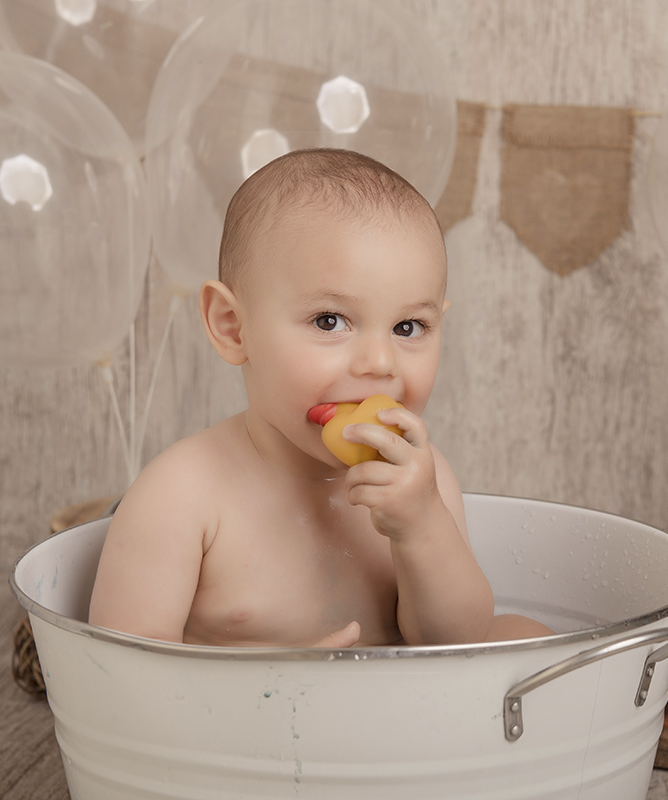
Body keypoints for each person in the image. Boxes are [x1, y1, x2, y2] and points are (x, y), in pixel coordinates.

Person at [88, 148, 551, 648]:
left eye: (408, 327)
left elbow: (460, 643)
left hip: (408, 698)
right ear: (233, 327)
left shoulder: (422, 480)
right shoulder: (183, 492)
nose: (379, 362)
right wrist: (272, 683)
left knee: (526, 635)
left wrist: (422, 527)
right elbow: (120, 669)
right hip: (243, 700)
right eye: (329, 321)